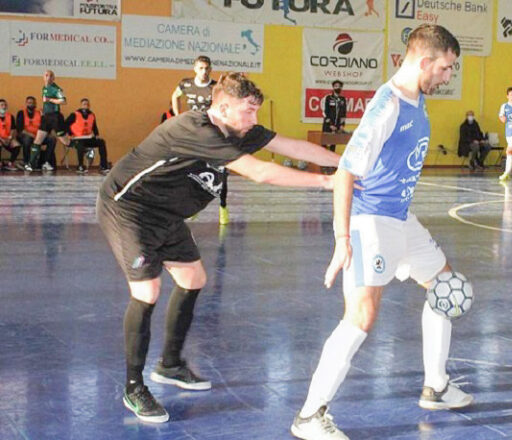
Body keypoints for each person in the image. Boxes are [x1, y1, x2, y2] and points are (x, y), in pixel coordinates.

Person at [97, 72, 341, 424]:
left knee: (193, 279)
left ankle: (170, 364)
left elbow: (290, 146)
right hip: (129, 209)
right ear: (223, 108)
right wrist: (327, 182)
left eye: (256, 111)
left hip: (166, 214)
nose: (254, 120)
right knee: (148, 290)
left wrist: (345, 164)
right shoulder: (196, 129)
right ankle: (134, 387)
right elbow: (260, 173)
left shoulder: (239, 128)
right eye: (248, 111)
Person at [291, 24, 473, 440]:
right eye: (445, 68)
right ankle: (309, 415)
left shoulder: (417, 97)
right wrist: (342, 240)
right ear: (425, 61)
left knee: (444, 285)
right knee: (361, 316)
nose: (448, 77)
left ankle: (436, 386)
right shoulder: (386, 106)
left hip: (400, 217)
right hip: (370, 221)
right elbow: (345, 173)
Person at [171, 56, 231, 224]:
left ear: (210, 69)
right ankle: (193, 208)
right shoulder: (186, 84)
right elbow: (175, 96)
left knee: (221, 173)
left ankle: (223, 207)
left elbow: (226, 106)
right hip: (193, 135)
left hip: (213, 134)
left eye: (207, 68)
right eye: (201, 68)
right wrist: (178, 117)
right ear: (195, 69)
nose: (204, 71)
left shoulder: (215, 87)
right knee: (190, 171)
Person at [27, 70, 70, 171]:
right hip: (46, 117)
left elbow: (64, 101)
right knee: (37, 140)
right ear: (43, 77)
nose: (48, 77)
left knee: (65, 141)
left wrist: (50, 100)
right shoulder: (44, 88)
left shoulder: (56, 89)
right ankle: (31, 164)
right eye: (46, 75)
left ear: (53, 78)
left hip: (55, 117)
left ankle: (82, 148)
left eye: (50, 76)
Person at [65, 98, 109, 174]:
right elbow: (65, 124)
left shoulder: (92, 115)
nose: (86, 106)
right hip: (76, 139)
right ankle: (80, 166)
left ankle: (103, 165)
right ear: (81, 105)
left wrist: (96, 135)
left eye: (88, 104)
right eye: (84, 104)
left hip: (87, 138)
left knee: (101, 142)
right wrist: (70, 134)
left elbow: (94, 127)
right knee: (80, 145)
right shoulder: (74, 114)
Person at [16, 96, 54, 170]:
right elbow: (20, 129)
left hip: (38, 136)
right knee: (27, 140)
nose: (31, 104)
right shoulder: (21, 113)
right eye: (29, 103)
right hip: (25, 135)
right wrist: (35, 137)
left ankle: (46, 162)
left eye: (33, 103)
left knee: (52, 139)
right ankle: (27, 162)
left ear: (35, 104)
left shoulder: (39, 113)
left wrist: (43, 116)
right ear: (26, 103)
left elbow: (45, 127)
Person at [321, 79, 347, 153]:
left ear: (341, 88)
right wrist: (330, 124)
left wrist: (342, 125)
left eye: (339, 86)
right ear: (333, 87)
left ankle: (331, 164)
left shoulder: (343, 99)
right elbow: (325, 113)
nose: (337, 88)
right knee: (324, 146)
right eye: (336, 86)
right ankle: (323, 164)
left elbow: (344, 114)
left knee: (333, 146)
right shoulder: (328, 98)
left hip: (337, 127)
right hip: (328, 126)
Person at [0, 99, 21, 171]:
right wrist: (2, 140)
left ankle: (10, 163)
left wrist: (10, 138)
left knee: (17, 145)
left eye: (5, 105)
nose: (4, 107)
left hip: (8, 138)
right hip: (0, 139)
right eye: (2, 105)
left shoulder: (10, 116)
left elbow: (13, 129)